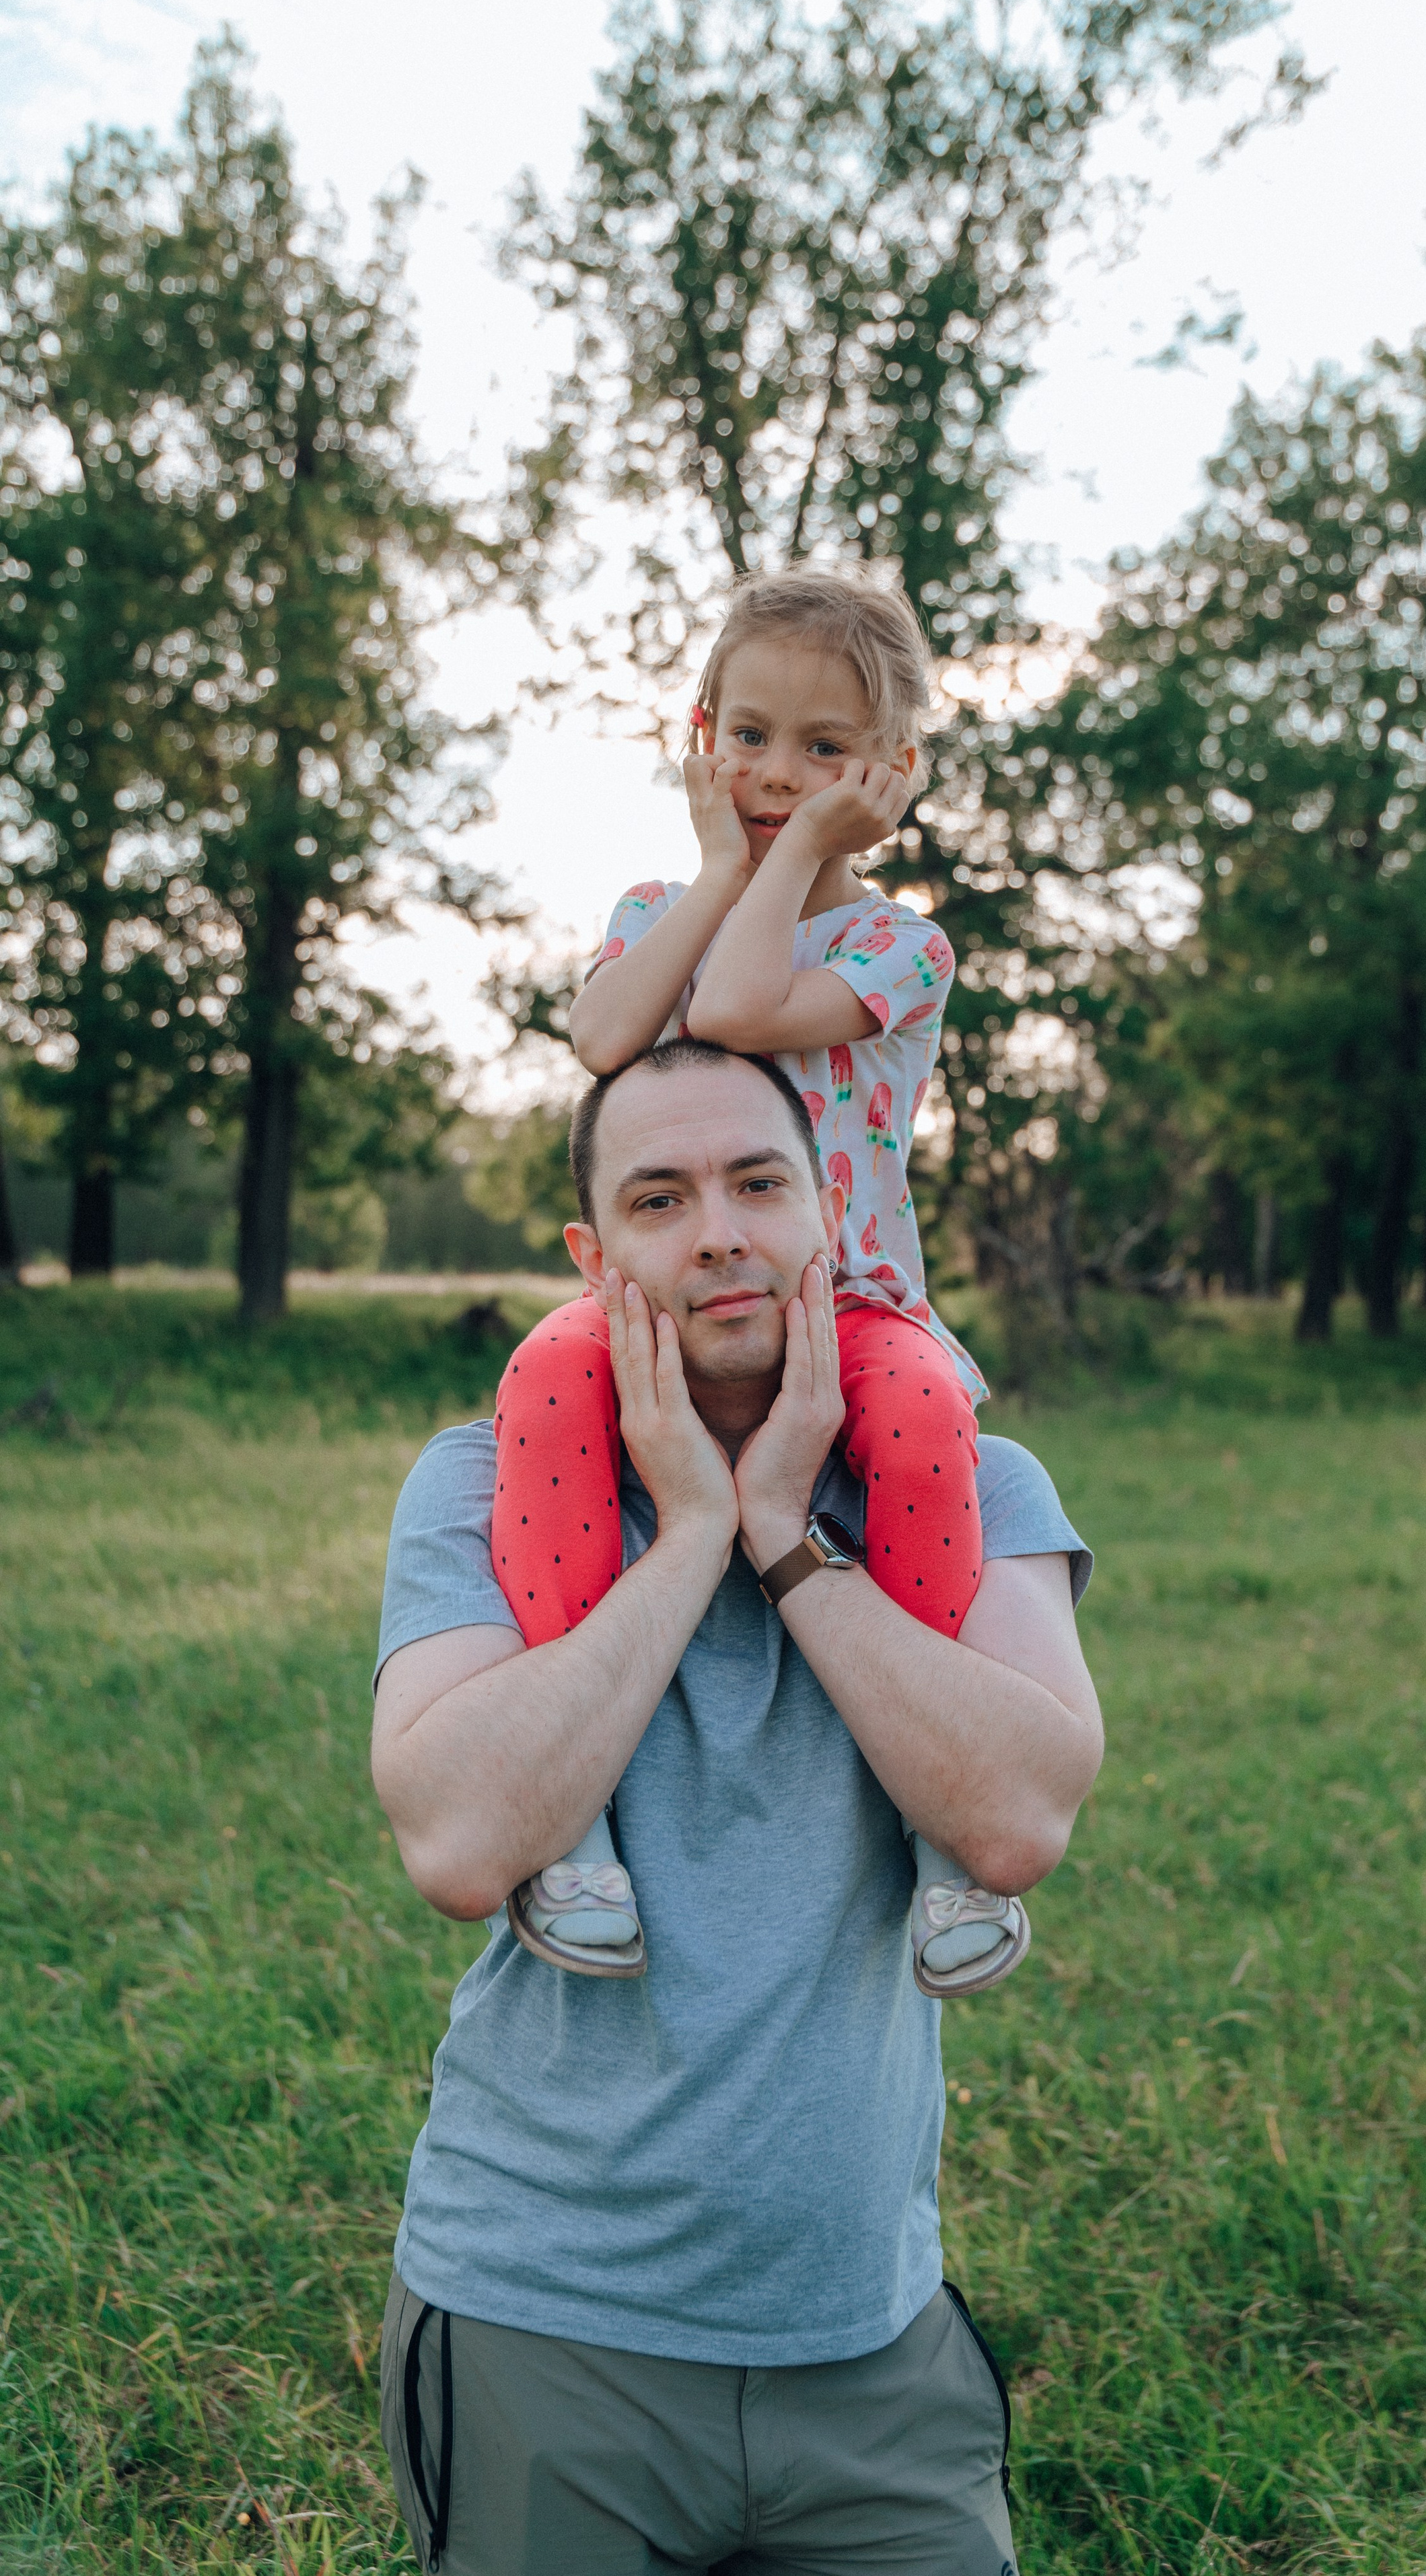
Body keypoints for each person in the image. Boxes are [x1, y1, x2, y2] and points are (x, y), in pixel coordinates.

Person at [371, 1036, 1102, 2573]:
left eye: (757, 1182)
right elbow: (456, 1837)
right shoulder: (470, 1485)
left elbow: (1017, 1818)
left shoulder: (983, 1478)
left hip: (869, 2343)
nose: (718, 1232)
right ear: (594, 1257)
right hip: (542, 2326)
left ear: (825, 1212)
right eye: (659, 1197)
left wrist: (782, 1530)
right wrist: (687, 1530)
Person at [491, 571, 1021, 1996]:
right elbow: (609, 1029)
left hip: (842, 1304)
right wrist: (725, 864)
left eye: (825, 750)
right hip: (660, 1300)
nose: (778, 774)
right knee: (545, 1375)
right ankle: (570, 1824)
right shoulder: (654, 905)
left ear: (890, 773)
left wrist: (771, 864)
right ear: (699, 733)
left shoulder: (896, 943)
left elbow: (731, 1011)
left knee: (916, 1411)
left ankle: (941, 1836)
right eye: (749, 734)